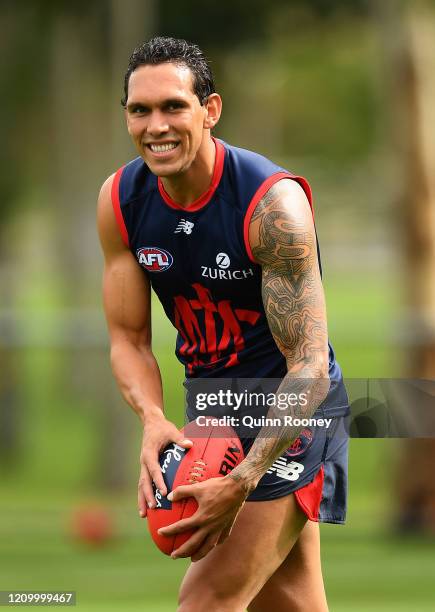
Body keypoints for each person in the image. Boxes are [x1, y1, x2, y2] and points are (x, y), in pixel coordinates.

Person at [97, 36, 349, 612]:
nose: (155, 125)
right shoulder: (121, 201)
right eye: (140, 110)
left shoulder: (270, 206)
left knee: (207, 598)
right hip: (210, 405)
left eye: (173, 107)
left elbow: (308, 366)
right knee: (287, 602)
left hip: (292, 407)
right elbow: (128, 339)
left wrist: (243, 480)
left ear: (209, 111)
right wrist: (153, 418)